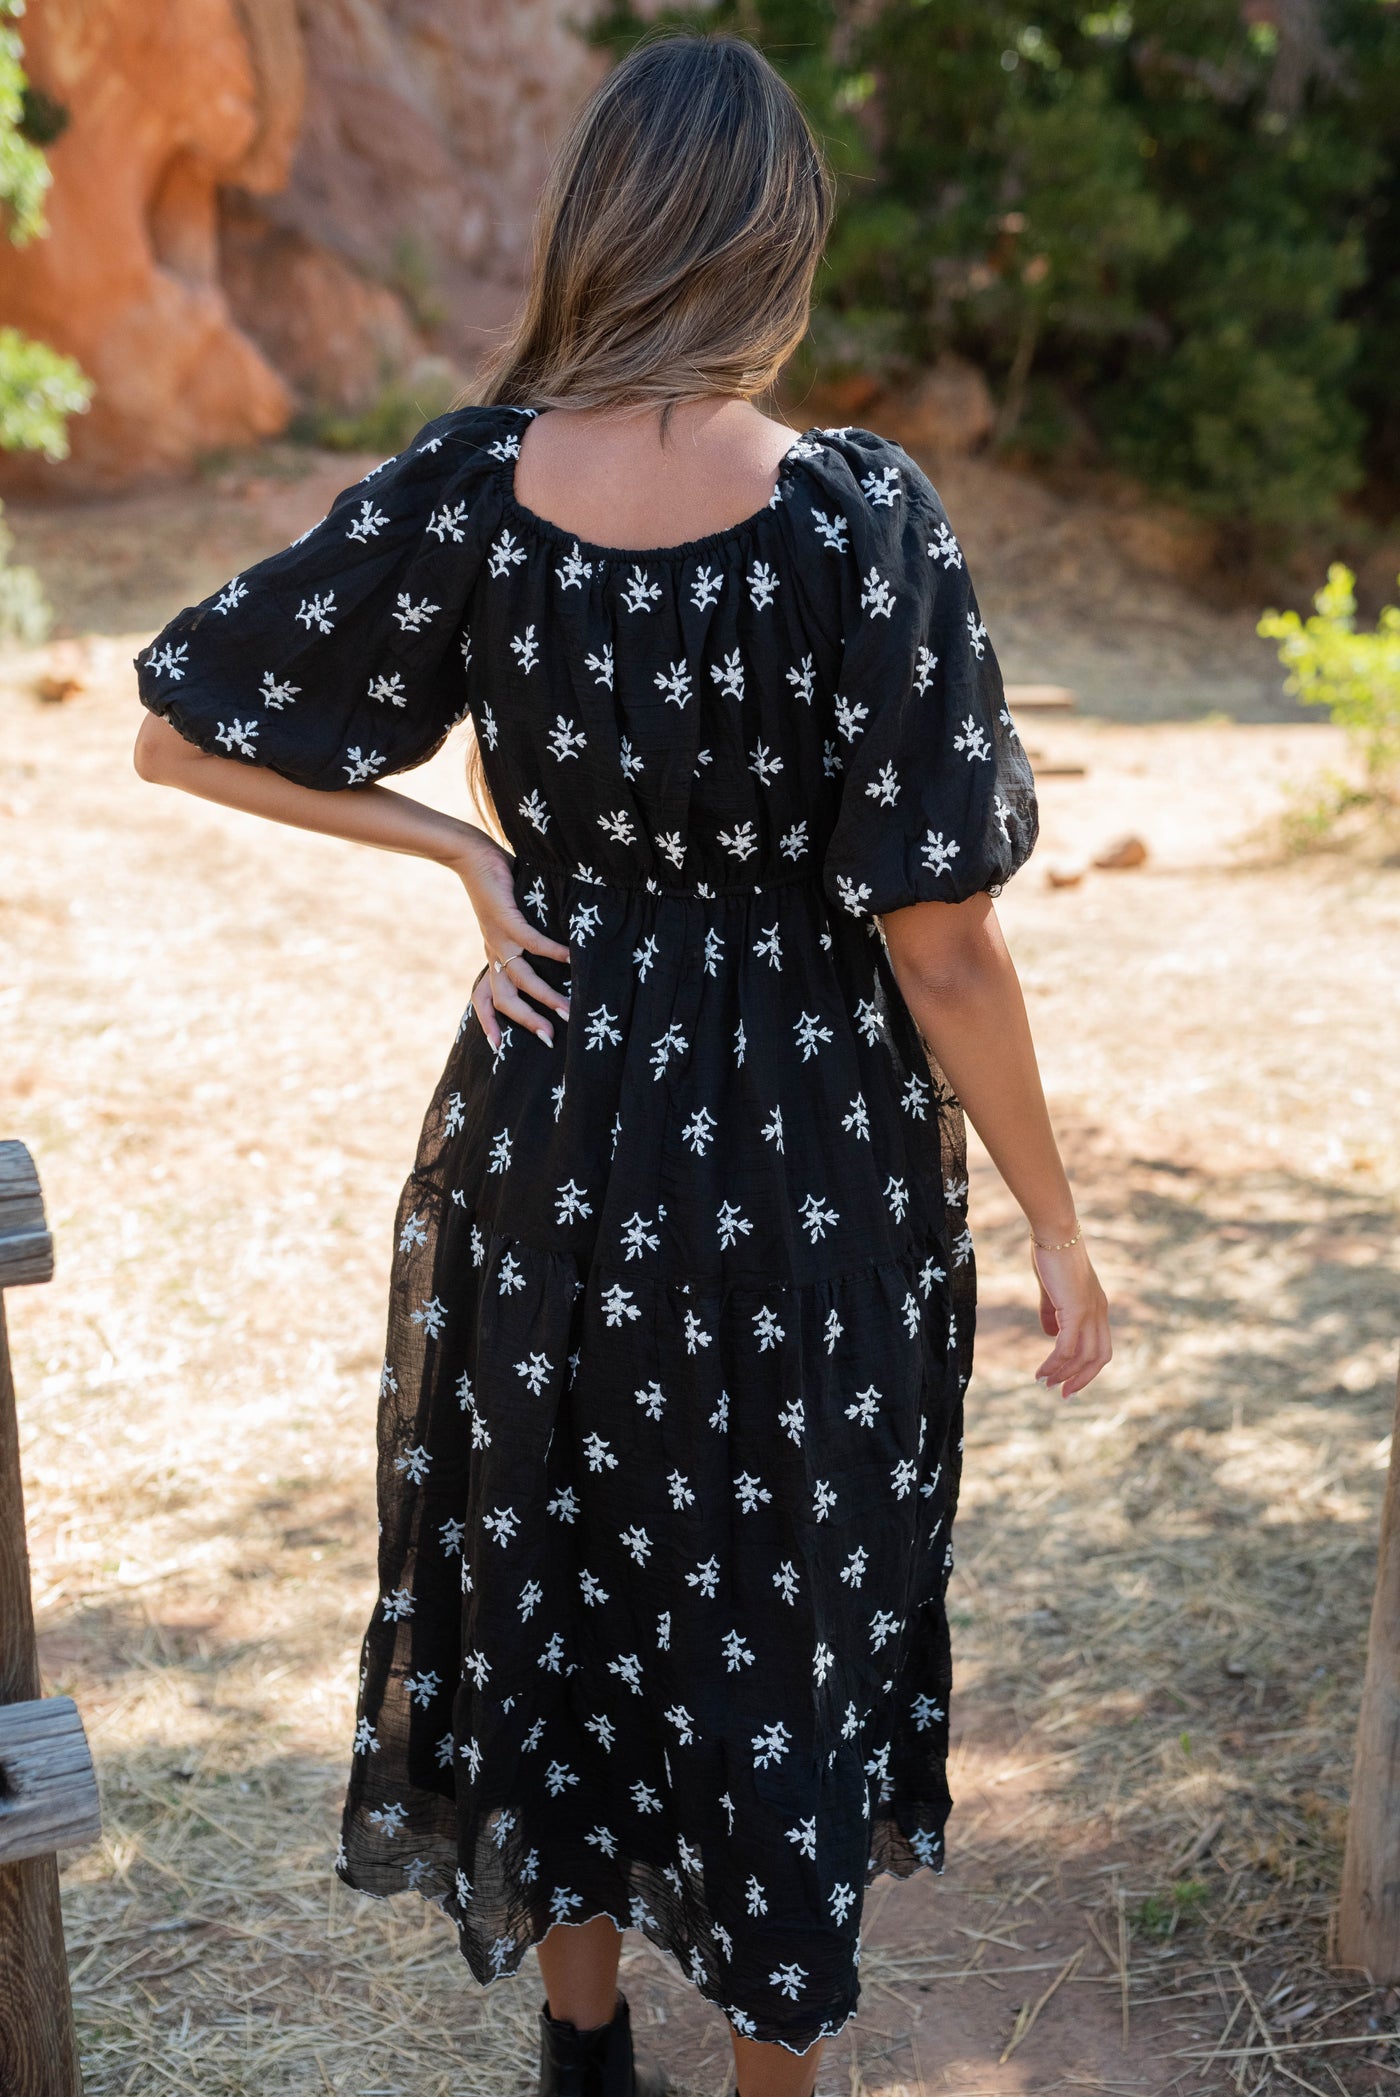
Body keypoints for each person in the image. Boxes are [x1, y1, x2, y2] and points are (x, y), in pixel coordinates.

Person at [132, 30, 1111, 2097]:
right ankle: (774, 2072)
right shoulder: (860, 521)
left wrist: (464, 849)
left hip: (554, 1126)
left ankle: (585, 2052)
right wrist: (1052, 1211)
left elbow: (186, 718)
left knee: (554, 1574)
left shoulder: (474, 487)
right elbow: (938, 939)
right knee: (782, 1614)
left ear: (598, 232)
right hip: (807, 1157)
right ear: (776, 238)